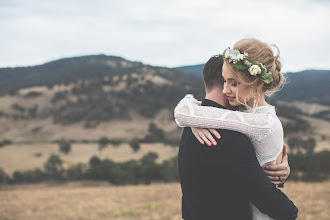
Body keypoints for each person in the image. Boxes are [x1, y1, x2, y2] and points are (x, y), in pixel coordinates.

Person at [176, 39, 298, 220]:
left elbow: (185, 112)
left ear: (255, 82)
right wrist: (194, 121)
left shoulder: (258, 123)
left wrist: (191, 119)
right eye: (225, 81)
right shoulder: (233, 129)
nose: (226, 90)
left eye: (233, 83)